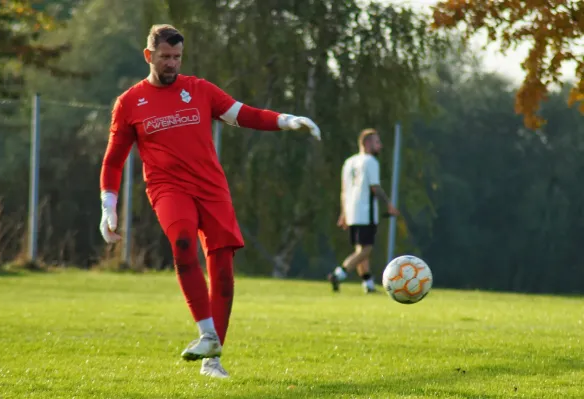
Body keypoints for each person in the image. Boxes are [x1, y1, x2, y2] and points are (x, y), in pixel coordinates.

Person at [98, 24, 321, 379]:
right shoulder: (129, 103)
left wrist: (286, 120)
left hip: (212, 189)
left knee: (223, 272)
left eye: (177, 57)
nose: (172, 63)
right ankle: (206, 333)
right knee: (182, 241)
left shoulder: (199, 90)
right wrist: (108, 206)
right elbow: (113, 160)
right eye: (165, 57)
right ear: (148, 56)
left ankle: (212, 360)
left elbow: (243, 114)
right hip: (167, 188)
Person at [327, 128, 398, 293]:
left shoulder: (349, 162)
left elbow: (344, 190)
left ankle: (368, 285)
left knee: (360, 250)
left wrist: (344, 213)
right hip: (365, 211)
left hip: (352, 211)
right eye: (377, 142)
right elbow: (374, 188)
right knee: (367, 249)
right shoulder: (370, 161)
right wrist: (388, 204)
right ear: (367, 144)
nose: (380, 146)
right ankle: (339, 274)